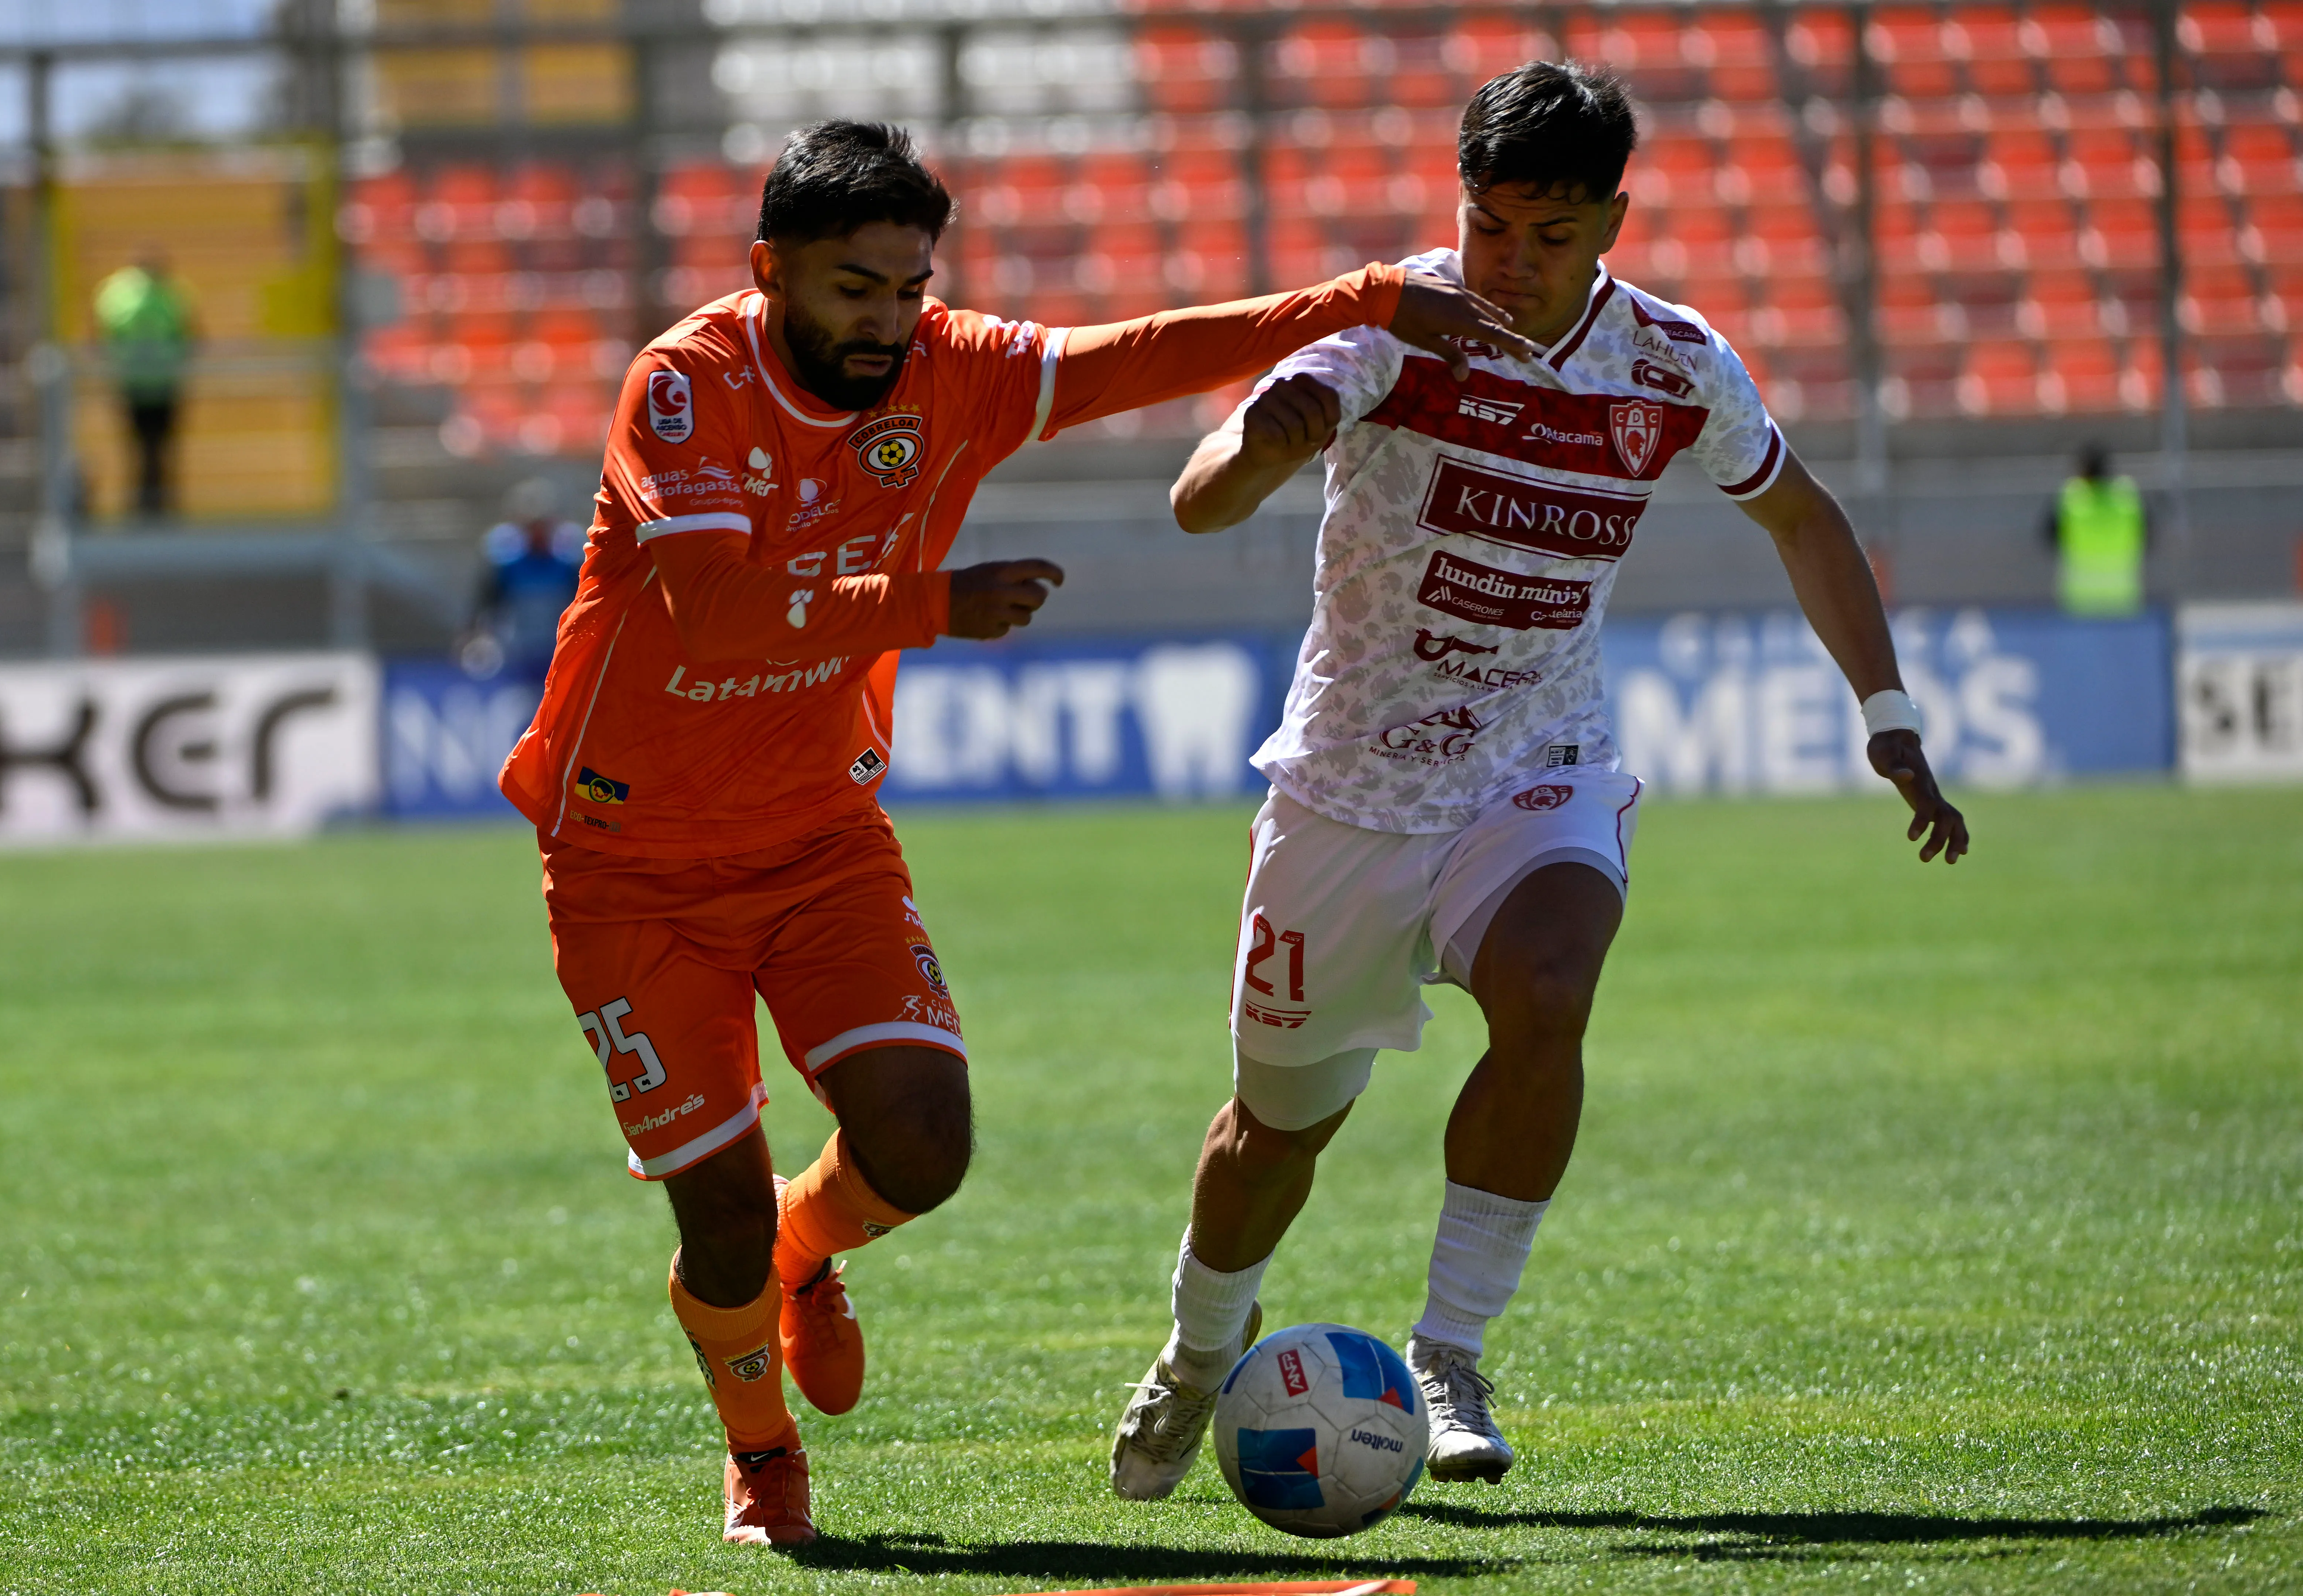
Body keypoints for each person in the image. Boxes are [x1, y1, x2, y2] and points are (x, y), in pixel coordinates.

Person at [495, 119, 1534, 1548]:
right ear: (770, 272)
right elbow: (707, 611)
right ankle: (763, 1459)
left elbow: (1136, 355)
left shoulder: (947, 370)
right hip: (627, 870)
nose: (889, 318)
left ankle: (810, 1255)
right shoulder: (685, 387)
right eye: (855, 288)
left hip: (816, 838)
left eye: (911, 285)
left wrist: (1352, 299)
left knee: (922, 1146)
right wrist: (930, 604)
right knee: (713, 1214)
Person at [1109, 61, 1971, 1501]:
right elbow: (1202, 495)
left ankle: (1445, 1353)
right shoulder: (1386, 332)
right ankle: (1200, 1353)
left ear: (1611, 223)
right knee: (1276, 1131)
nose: (1509, 264)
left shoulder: (1671, 363)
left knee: (1553, 987)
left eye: (1547, 238)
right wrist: (1260, 447)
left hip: (1538, 770)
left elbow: (1804, 519)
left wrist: (1885, 717)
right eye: (1488, 227)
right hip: (1345, 792)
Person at [93, 248, 199, 519]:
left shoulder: (114, 292)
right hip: (164, 381)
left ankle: (140, 509)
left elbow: (99, 336)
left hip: (130, 382)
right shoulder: (172, 293)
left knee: (137, 449)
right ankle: (160, 510)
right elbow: (191, 333)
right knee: (160, 449)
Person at [465, 477, 586, 678]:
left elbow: (579, 600)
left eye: (542, 525)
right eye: (531, 526)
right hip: (517, 646)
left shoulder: (568, 558)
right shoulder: (506, 560)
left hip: (556, 643)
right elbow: (488, 600)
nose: (537, 533)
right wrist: (477, 632)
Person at [2043, 441, 2147, 615]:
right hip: (2122, 596)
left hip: (2080, 598)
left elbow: (2049, 536)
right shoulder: (2127, 497)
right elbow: (2148, 536)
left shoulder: (2072, 497)